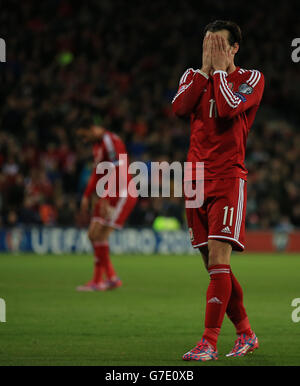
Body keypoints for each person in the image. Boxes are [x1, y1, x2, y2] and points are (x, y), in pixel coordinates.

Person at [172, 20, 265, 361]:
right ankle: (247, 334)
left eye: (219, 45)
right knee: (214, 265)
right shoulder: (191, 77)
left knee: (219, 260)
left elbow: (227, 109)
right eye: (207, 43)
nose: (211, 51)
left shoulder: (251, 78)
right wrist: (203, 72)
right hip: (195, 178)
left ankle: (208, 342)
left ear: (234, 48)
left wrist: (221, 74)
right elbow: (179, 109)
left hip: (227, 177)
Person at [76, 122, 137, 291]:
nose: (86, 138)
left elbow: (120, 169)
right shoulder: (97, 146)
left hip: (122, 192)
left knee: (100, 235)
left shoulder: (109, 141)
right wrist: (87, 196)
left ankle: (107, 279)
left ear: (97, 127)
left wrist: (109, 200)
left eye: (87, 133)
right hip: (108, 192)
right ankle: (105, 279)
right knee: (92, 235)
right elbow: (97, 173)